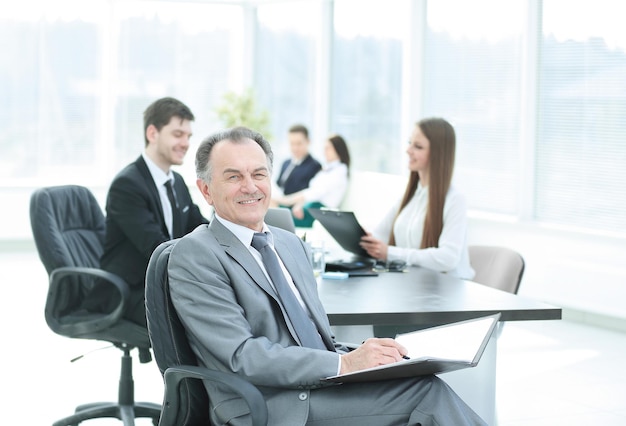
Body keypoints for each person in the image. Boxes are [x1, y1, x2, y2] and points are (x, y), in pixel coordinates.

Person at [167, 126, 486, 426]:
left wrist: (368, 355)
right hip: (268, 403)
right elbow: (242, 356)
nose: (250, 186)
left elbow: (317, 340)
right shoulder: (196, 254)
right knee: (426, 395)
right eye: (233, 176)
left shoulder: (289, 244)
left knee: (419, 378)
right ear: (206, 190)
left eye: (259, 174)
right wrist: (344, 365)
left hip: (321, 385)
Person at [84, 97, 209, 327]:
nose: (186, 143)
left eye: (188, 136)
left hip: (162, 283)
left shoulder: (176, 182)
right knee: (196, 321)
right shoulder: (127, 185)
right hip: (129, 290)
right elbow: (156, 248)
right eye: (178, 134)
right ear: (153, 134)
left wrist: (228, 239)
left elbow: (199, 227)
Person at [360, 117, 474, 280]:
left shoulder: (455, 200)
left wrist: (390, 252)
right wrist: (363, 238)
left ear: (438, 154)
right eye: (409, 143)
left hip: (447, 294)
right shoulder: (411, 196)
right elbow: (380, 235)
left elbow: (448, 258)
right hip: (415, 286)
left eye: (418, 146)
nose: (408, 150)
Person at [272, 134, 350, 227]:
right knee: (271, 204)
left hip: (318, 214)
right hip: (307, 207)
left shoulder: (339, 171)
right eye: (324, 148)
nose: (324, 152)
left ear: (338, 149)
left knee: (273, 206)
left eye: (328, 148)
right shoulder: (327, 169)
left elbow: (315, 193)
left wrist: (286, 200)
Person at [274, 124, 322, 196]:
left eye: (299, 143)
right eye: (292, 143)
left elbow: (310, 193)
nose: (295, 148)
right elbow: (278, 184)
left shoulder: (315, 166)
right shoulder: (286, 163)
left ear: (308, 141)